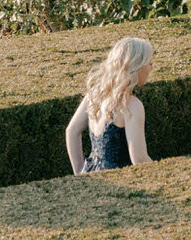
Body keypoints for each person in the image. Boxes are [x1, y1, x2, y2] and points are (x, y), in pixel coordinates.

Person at [65, 35, 153, 174]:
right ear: (137, 66)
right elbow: (139, 159)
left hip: (91, 175)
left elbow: (71, 131)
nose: (151, 68)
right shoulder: (131, 105)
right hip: (121, 181)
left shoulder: (94, 95)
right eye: (149, 62)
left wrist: (80, 173)